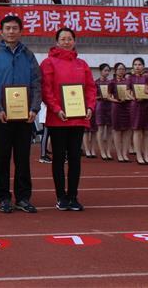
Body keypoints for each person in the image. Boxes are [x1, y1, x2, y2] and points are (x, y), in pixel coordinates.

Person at [0, 15, 41, 214]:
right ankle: (4, 198)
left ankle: (23, 198)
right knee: (2, 158)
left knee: (23, 159)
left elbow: (36, 83)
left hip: (25, 117)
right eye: (7, 28)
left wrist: (34, 108)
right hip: (2, 117)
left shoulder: (29, 56)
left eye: (15, 28)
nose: (11, 32)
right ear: (1, 31)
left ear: (21, 31)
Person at [40, 27, 95, 211]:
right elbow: (46, 89)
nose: (66, 42)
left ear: (74, 41)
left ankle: (73, 196)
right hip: (58, 119)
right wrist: (56, 109)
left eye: (69, 38)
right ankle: (61, 196)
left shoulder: (82, 64)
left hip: (78, 118)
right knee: (58, 158)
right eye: (62, 39)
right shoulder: (48, 63)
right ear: (57, 42)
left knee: (75, 158)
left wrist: (90, 107)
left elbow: (90, 88)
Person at [127, 57, 148, 165]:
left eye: (140, 64)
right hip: (136, 105)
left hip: (147, 105)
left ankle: (146, 155)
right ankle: (138, 155)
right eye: (135, 64)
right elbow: (127, 92)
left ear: (143, 66)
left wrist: (147, 96)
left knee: (146, 131)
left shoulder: (147, 77)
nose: (137, 67)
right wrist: (133, 98)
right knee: (137, 131)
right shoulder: (130, 78)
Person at [107, 62, 131, 162]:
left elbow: (131, 93)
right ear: (115, 71)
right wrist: (116, 100)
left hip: (127, 107)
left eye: (123, 69)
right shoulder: (112, 82)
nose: (121, 71)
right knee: (117, 131)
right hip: (117, 107)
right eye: (119, 69)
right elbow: (108, 96)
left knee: (127, 131)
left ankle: (125, 154)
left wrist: (130, 97)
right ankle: (119, 154)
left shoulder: (128, 81)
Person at [93, 64, 113, 161]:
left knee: (109, 130)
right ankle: (102, 152)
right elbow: (93, 96)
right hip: (100, 106)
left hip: (110, 106)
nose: (107, 72)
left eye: (108, 70)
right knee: (100, 129)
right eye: (105, 70)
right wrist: (100, 97)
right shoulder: (96, 83)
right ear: (100, 71)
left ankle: (108, 151)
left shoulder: (111, 82)